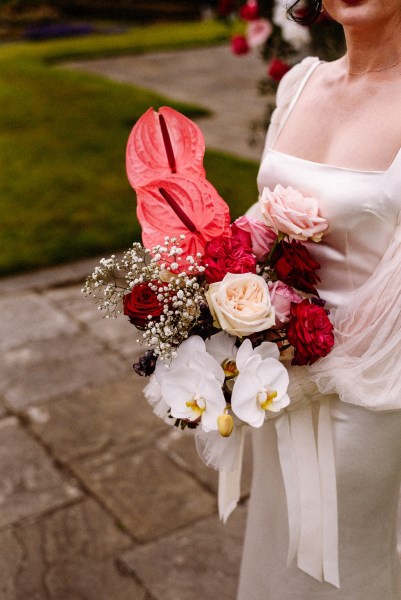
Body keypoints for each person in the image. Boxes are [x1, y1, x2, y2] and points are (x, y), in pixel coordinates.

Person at [237, 0, 401, 598]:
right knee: (278, 547)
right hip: (273, 377)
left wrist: (306, 353)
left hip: (368, 399)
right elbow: (263, 214)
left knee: (347, 564)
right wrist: (218, 283)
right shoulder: (299, 84)